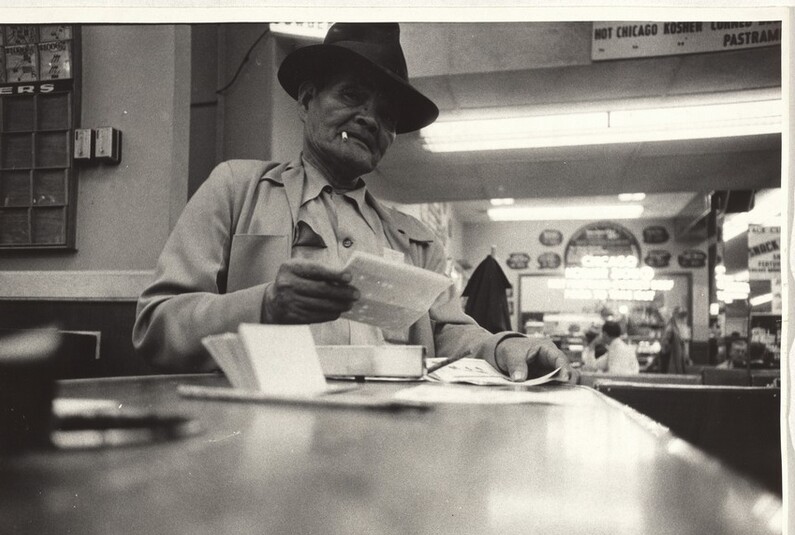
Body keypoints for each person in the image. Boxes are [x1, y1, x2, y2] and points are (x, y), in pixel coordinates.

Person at [133, 23, 572, 382]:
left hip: (380, 451)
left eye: (386, 113)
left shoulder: (416, 242)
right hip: (252, 438)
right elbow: (157, 325)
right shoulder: (235, 189)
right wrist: (263, 305)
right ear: (307, 98)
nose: (368, 118)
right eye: (351, 95)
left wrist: (504, 345)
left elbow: (447, 333)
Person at [659, 306, 690, 374]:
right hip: (673, 362)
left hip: (676, 360)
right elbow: (664, 345)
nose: (684, 320)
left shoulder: (674, 327)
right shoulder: (671, 328)